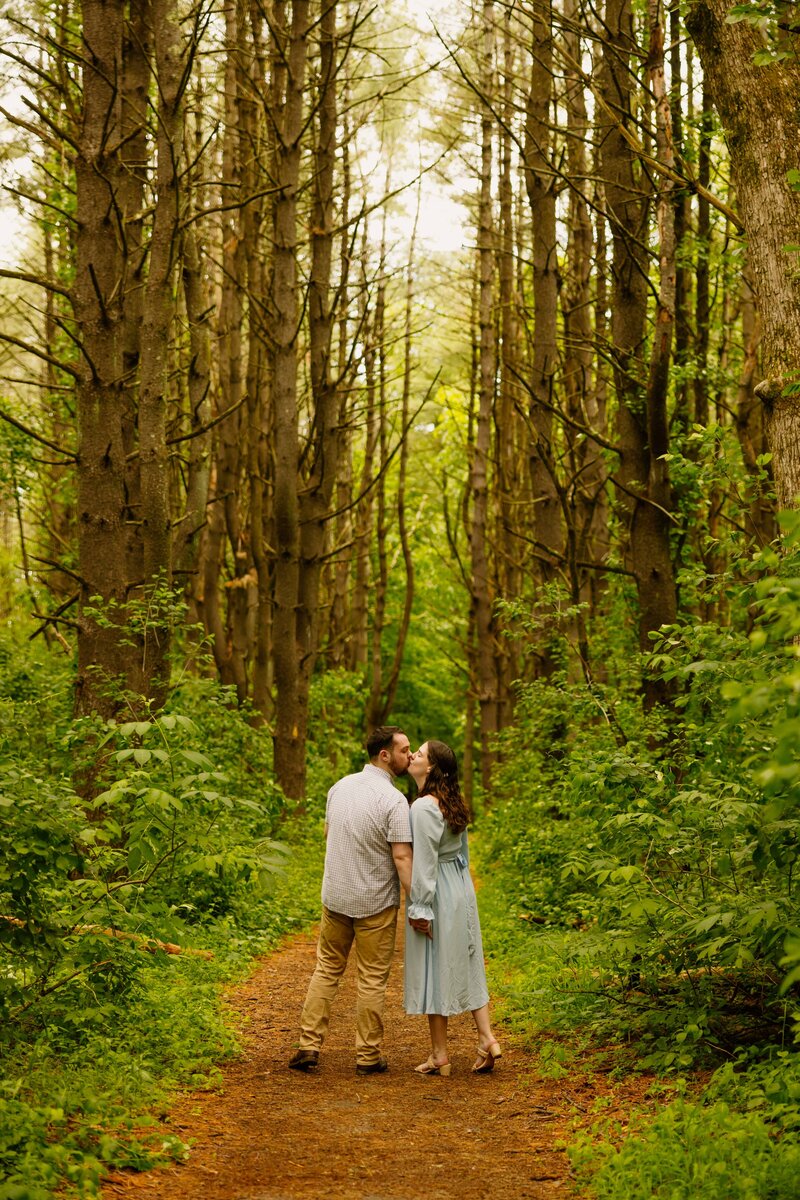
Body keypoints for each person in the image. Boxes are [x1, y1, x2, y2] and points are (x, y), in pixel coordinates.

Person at [288, 726, 413, 1075]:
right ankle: (368, 1056)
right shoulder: (394, 801)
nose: (410, 755)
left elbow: (330, 833)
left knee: (327, 969)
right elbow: (402, 857)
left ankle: (308, 1045)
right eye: (404, 750)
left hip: (337, 895)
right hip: (375, 902)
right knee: (372, 978)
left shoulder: (339, 787)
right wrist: (417, 900)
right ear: (384, 755)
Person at [404, 740, 502, 1076]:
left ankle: (440, 1055)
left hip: (439, 892)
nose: (413, 756)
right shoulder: (453, 802)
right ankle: (487, 1038)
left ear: (429, 767)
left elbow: (425, 865)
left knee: (436, 966)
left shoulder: (422, 808)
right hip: (461, 886)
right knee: (470, 959)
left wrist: (419, 907)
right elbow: (463, 855)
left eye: (419, 753)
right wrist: (464, 889)